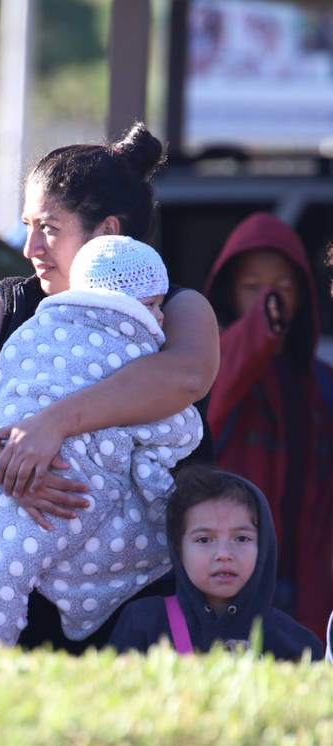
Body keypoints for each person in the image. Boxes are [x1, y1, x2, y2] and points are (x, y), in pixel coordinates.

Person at [0, 123, 220, 652]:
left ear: (106, 232)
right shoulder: (9, 303)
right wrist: (9, 470)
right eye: (28, 225)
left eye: (49, 228)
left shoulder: (174, 305)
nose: (30, 246)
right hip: (5, 587)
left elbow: (184, 377)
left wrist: (51, 423)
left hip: (139, 602)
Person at [201, 212, 333, 638]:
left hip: (308, 575)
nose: (268, 300)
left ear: (304, 295)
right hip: (233, 570)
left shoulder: (320, 380)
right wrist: (262, 324)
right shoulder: (209, 365)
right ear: (228, 293)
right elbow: (229, 369)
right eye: (252, 287)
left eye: (283, 288)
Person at [108, 465, 322, 661]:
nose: (224, 555)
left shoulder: (297, 645)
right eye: (204, 540)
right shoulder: (143, 622)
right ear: (178, 549)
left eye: (241, 538)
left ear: (264, 545)